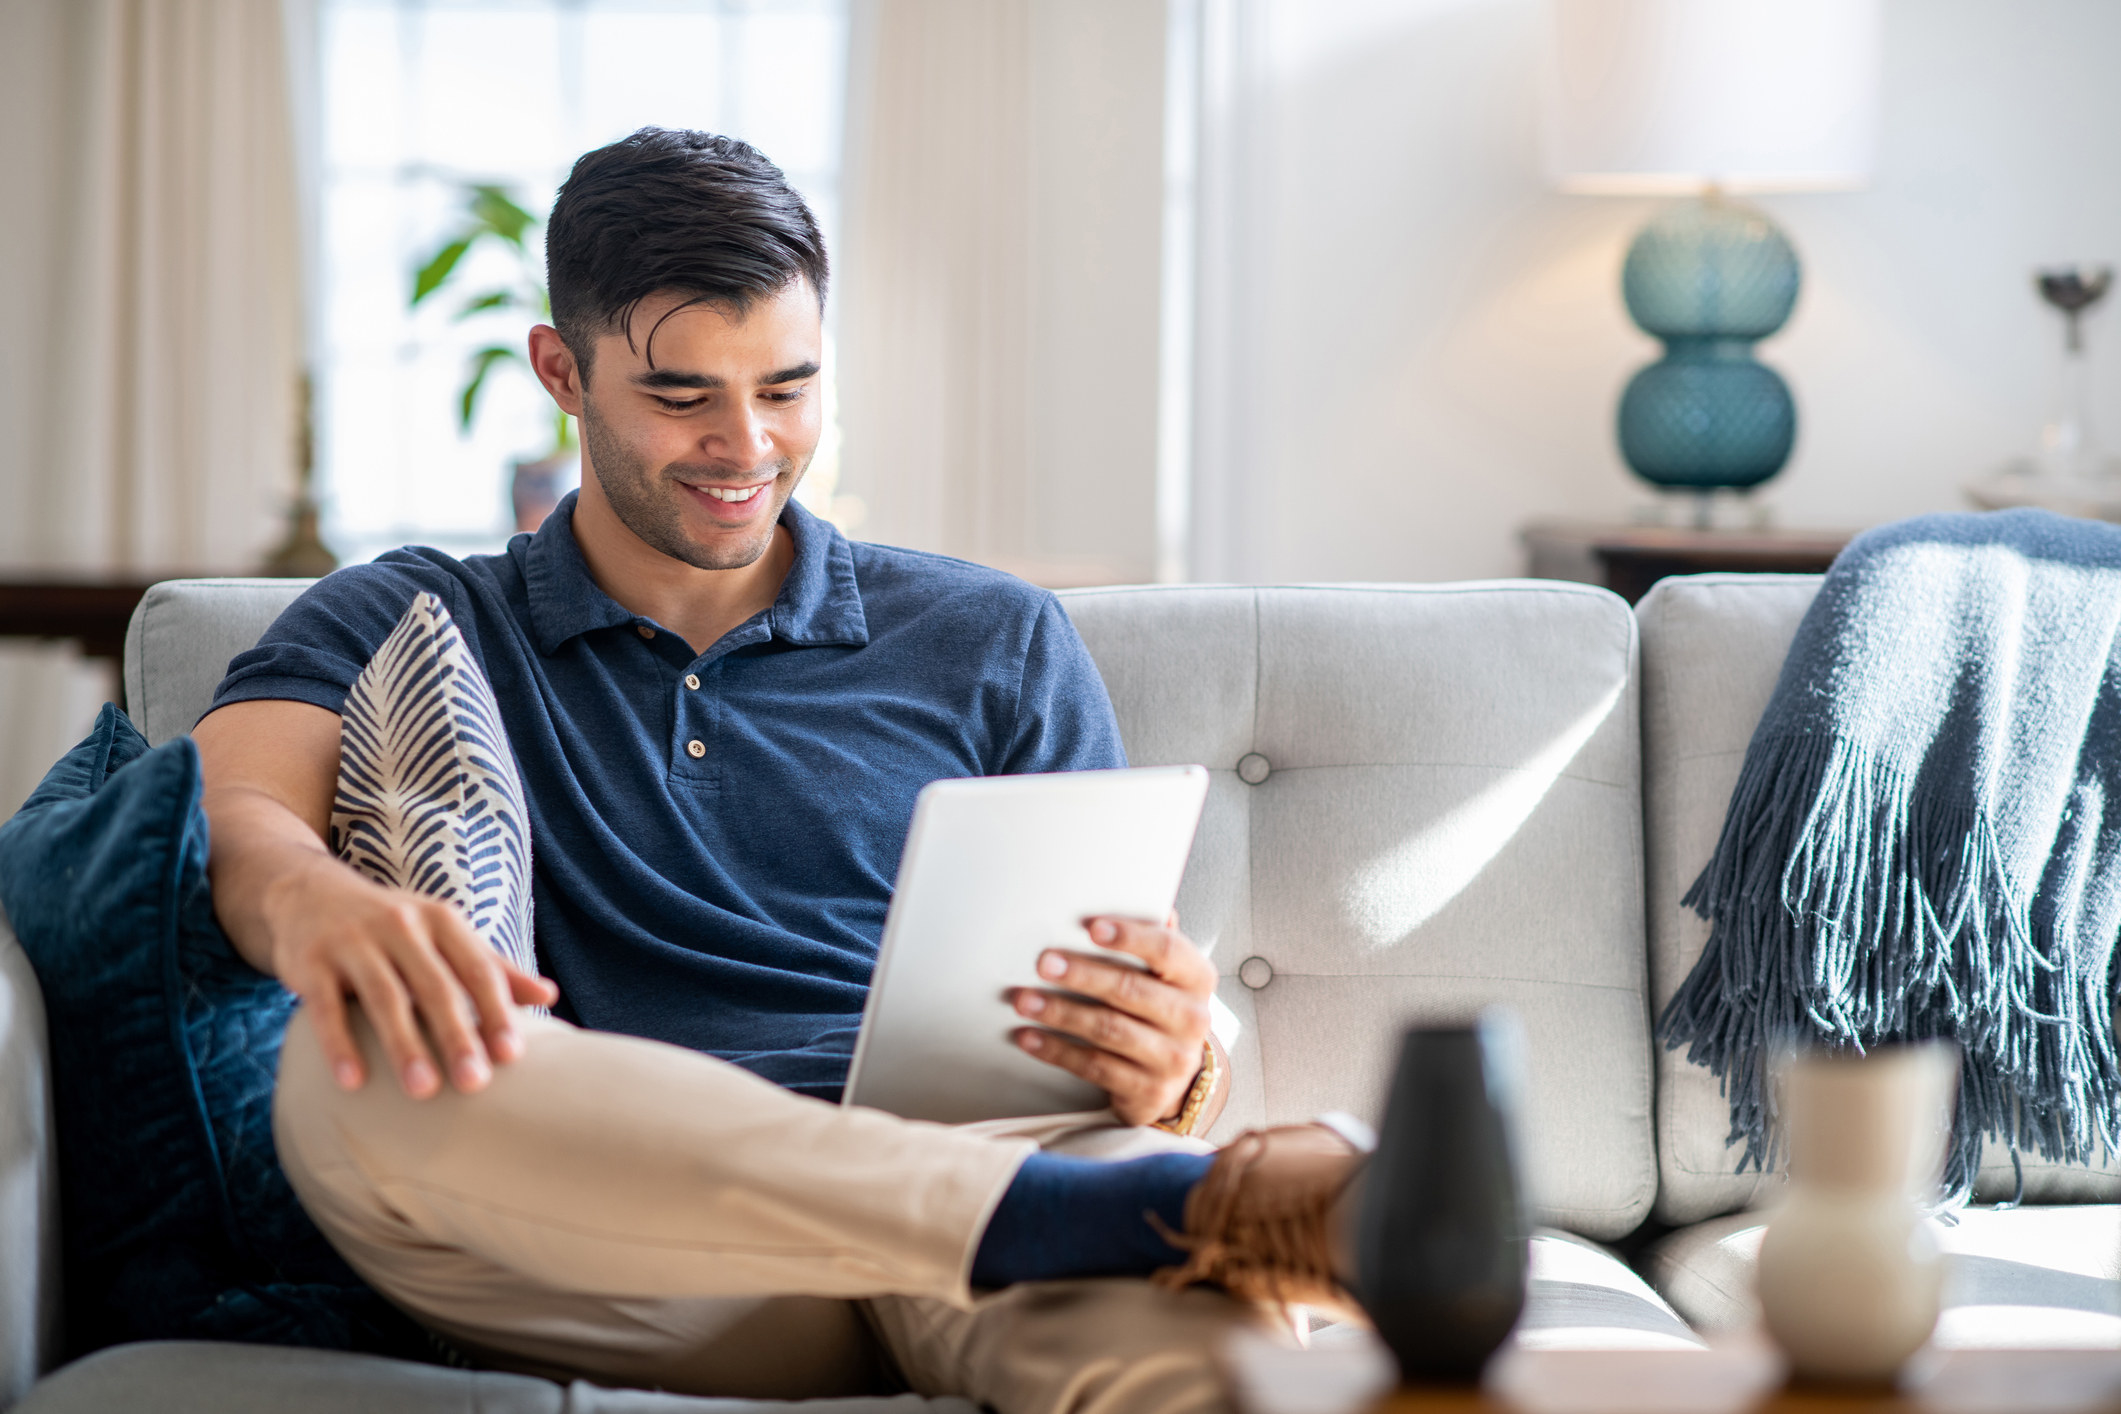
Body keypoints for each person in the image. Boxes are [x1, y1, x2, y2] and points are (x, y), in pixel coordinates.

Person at [193, 128, 1357, 1414]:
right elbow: (230, 809)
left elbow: (1127, 981)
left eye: (789, 388)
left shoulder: (997, 637)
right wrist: (319, 904)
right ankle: (1138, 1208)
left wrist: (1171, 1061)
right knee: (347, 1078)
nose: (744, 445)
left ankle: (1120, 1206)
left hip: (1017, 1188)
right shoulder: (410, 615)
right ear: (560, 371)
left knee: (1211, 1362)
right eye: (682, 397)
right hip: (654, 1238)